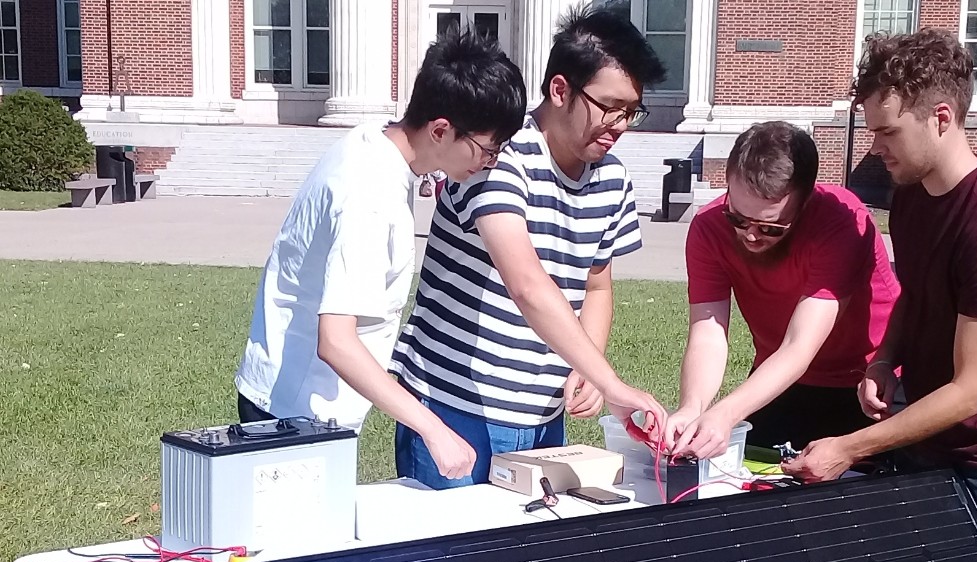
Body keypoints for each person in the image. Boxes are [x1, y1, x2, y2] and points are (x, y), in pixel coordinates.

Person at [783, 29, 977, 562]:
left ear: (940, 118)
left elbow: (973, 389)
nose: (875, 148)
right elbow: (914, 289)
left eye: (887, 132)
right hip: (925, 437)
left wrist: (848, 448)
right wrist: (885, 359)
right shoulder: (911, 193)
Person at [389, 4, 669, 489]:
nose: (619, 125)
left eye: (631, 112)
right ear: (559, 89)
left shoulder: (613, 180)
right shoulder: (495, 152)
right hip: (454, 404)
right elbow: (526, 284)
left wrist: (587, 366)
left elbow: (596, 286)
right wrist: (612, 383)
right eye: (609, 108)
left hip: (543, 415)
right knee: (450, 561)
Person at [233, 31, 527, 482]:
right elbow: (336, 341)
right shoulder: (371, 193)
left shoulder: (377, 143)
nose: (490, 162)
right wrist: (433, 429)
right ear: (441, 130)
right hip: (295, 414)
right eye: (487, 149)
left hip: (296, 400)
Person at [663, 121, 900, 462]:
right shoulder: (709, 225)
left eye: (771, 227)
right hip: (778, 377)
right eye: (738, 219)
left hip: (869, 382)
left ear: (804, 203)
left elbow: (799, 346)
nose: (751, 234)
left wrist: (726, 413)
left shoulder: (841, 220)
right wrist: (692, 407)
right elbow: (708, 332)